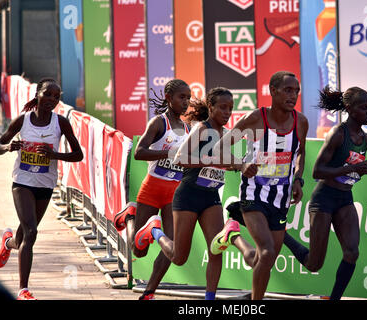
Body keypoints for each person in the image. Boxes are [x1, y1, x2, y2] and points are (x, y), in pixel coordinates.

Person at [281, 86, 367, 300]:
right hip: (324, 199)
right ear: (349, 108)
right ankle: (280, 233)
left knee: (352, 253)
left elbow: (352, 171)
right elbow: (317, 171)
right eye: (364, 108)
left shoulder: (365, 139)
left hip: (345, 198)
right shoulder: (338, 134)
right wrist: (353, 168)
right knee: (314, 263)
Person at [211, 71, 309, 300]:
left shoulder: (301, 121)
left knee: (265, 259)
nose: (293, 95)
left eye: (296, 91)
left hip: (281, 198)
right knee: (266, 252)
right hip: (253, 194)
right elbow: (219, 148)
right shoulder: (255, 119)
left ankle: (232, 236)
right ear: (272, 91)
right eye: (287, 90)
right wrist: (241, 165)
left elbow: (301, 153)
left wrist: (297, 178)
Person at [134, 87, 238, 300]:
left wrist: (239, 165)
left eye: (230, 108)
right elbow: (180, 158)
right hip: (188, 194)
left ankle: (210, 299)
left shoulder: (227, 135)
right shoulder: (201, 128)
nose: (227, 113)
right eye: (223, 108)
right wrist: (215, 161)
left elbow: (224, 164)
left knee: (216, 248)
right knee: (179, 257)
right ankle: (154, 231)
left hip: (211, 195)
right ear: (211, 107)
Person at [0, 78, 83, 300]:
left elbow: (78, 155)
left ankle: (8, 242)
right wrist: (8, 147)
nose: (52, 100)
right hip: (22, 182)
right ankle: (23, 290)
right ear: (38, 94)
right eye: (48, 94)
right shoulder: (22, 121)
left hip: (45, 184)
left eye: (56, 97)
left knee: (23, 235)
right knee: (31, 232)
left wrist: (55, 155)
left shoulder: (61, 123)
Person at [113, 79, 191, 300]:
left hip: (174, 193)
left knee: (172, 248)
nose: (185, 102)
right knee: (139, 250)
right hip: (152, 187)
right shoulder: (159, 122)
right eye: (181, 97)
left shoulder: (188, 129)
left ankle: (149, 292)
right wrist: (169, 154)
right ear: (169, 97)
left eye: (188, 98)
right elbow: (139, 152)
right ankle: (130, 215)